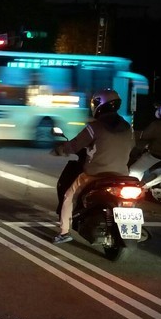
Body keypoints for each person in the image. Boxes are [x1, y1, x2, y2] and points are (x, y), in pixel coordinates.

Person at [52, 89, 135, 244]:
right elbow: (133, 146)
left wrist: (60, 149)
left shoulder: (94, 127)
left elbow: (75, 145)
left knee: (68, 196)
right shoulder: (127, 127)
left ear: (99, 104)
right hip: (122, 175)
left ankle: (64, 232)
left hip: (96, 174)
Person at [128, 102, 161, 181]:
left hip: (156, 156)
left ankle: (134, 190)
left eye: (159, 109)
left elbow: (143, 136)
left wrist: (128, 134)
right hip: (159, 158)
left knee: (134, 170)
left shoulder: (158, 125)